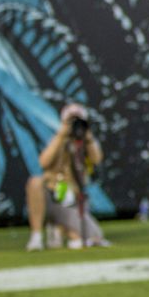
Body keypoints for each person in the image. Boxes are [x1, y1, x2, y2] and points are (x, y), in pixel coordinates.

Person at [25, 103, 107, 251]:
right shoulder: (56, 139)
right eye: (70, 121)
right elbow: (44, 161)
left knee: (94, 236)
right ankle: (36, 237)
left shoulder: (85, 143)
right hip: (53, 194)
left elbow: (96, 159)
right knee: (35, 182)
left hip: (73, 200)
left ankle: (61, 229)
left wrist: (87, 137)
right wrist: (61, 135)